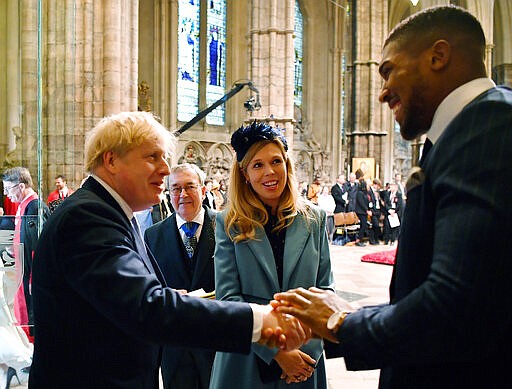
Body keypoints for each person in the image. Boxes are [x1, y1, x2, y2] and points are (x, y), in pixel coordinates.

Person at [274, 6, 512, 388]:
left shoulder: (489, 125)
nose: (382, 92)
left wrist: (343, 323)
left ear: (438, 56)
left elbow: (455, 308)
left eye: (388, 71)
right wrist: (332, 325)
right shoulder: (464, 131)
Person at [29, 111, 310, 389]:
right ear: (111, 160)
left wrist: (166, 296)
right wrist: (260, 320)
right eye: (152, 157)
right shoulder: (88, 217)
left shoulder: (108, 212)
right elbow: (147, 308)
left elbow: (117, 298)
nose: (165, 169)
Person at [209, 122, 334, 388]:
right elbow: (229, 298)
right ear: (244, 174)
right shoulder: (228, 223)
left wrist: (304, 355)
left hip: (304, 359)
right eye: (257, 165)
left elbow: (325, 292)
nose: (269, 172)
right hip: (246, 360)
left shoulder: (314, 219)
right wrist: (277, 352)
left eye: (276, 161)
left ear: (287, 165)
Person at [145, 163, 217, 389]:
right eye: (176, 189)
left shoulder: (226, 228)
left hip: (218, 343)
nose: (183, 194)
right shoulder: (153, 235)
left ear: (203, 191)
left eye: (190, 187)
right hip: (175, 349)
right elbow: (148, 288)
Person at [2, 167, 50, 337]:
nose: (6, 194)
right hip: (23, 271)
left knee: (31, 322)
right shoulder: (25, 206)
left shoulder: (34, 208)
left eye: (8, 189)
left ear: (21, 187)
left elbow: (38, 248)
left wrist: (33, 278)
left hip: (30, 275)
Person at [354, 180, 369, 247]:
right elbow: (361, 203)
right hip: (361, 211)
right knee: (363, 225)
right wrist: (366, 210)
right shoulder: (359, 193)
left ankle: (360, 239)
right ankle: (358, 240)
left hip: (364, 212)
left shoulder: (365, 193)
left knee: (364, 225)